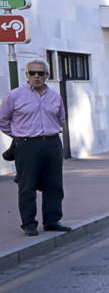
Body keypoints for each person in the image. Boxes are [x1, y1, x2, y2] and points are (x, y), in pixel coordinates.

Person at [0, 59, 70, 236]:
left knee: (54, 185)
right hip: (27, 145)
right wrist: (20, 134)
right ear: (27, 75)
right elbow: (3, 120)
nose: (36, 76)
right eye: (32, 73)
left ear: (47, 75)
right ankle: (29, 224)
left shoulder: (54, 96)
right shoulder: (14, 96)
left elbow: (61, 118)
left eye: (40, 73)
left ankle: (52, 220)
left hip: (52, 143)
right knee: (27, 186)